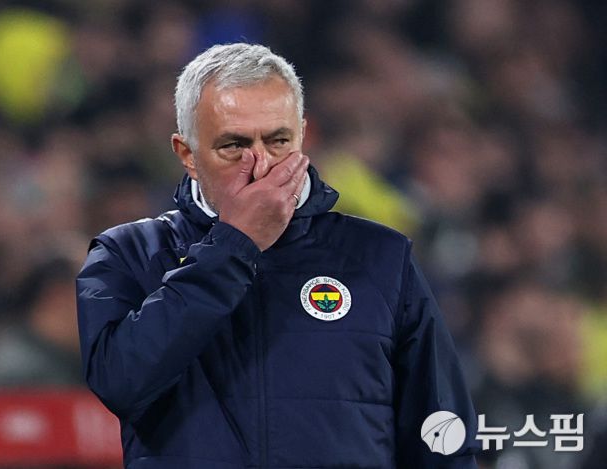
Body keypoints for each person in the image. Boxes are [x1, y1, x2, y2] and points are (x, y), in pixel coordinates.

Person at [76, 43, 480, 468]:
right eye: (234, 145)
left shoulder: (382, 257)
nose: (261, 164)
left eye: (278, 141)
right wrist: (235, 244)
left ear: (303, 136)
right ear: (187, 154)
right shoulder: (127, 254)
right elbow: (120, 383)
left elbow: (442, 434)